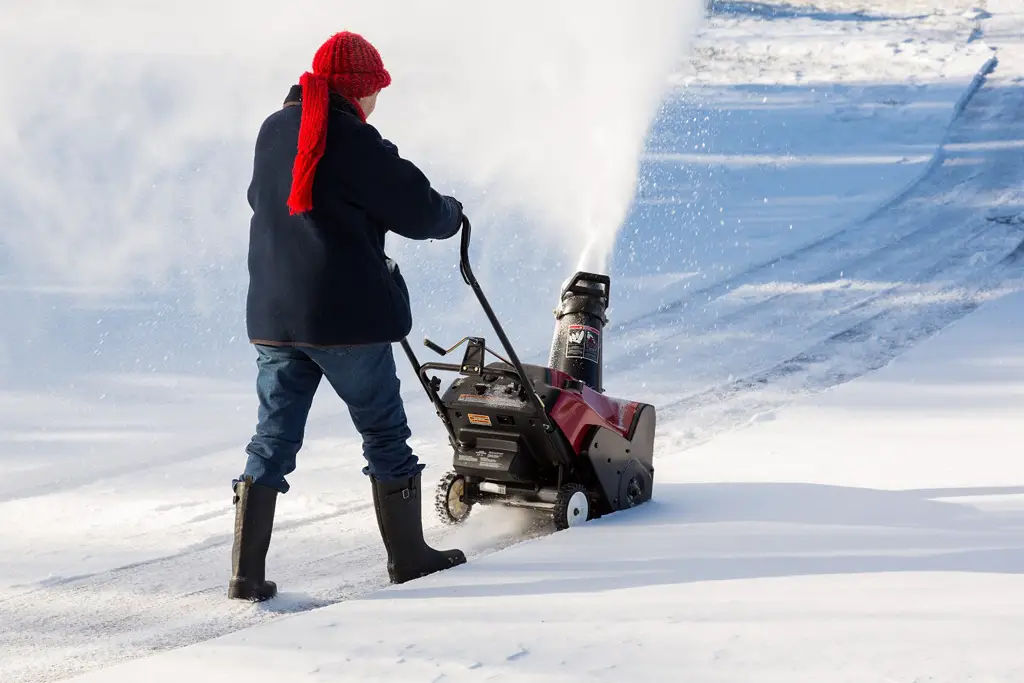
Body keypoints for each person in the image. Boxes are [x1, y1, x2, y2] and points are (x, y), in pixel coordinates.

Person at [229, 31, 466, 602]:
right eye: (375, 90)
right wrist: (452, 215)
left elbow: (263, 200)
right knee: (384, 432)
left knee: (271, 440)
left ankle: (245, 575)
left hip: (273, 317)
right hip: (342, 324)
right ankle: (409, 558)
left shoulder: (273, 128)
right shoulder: (354, 140)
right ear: (361, 91)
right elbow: (417, 208)